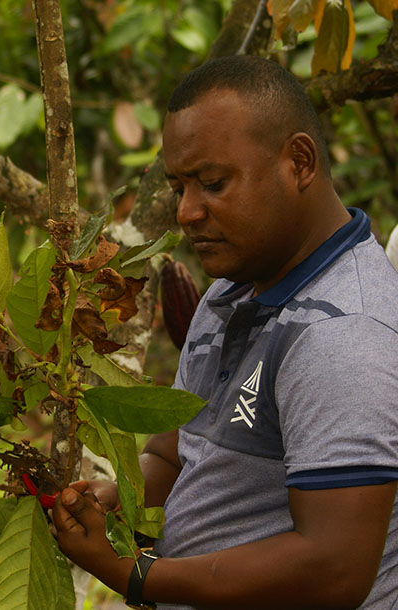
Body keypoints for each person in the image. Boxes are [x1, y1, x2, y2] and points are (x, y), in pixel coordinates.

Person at [53, 55, 398, 609]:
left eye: (212, 183)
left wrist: (136, 575)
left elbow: (333, 569)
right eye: (179, 186)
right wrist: (121, 497)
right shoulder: (233, 288)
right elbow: (178, 453)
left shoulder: (344, 332)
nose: (187, 212)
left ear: (299, 162)